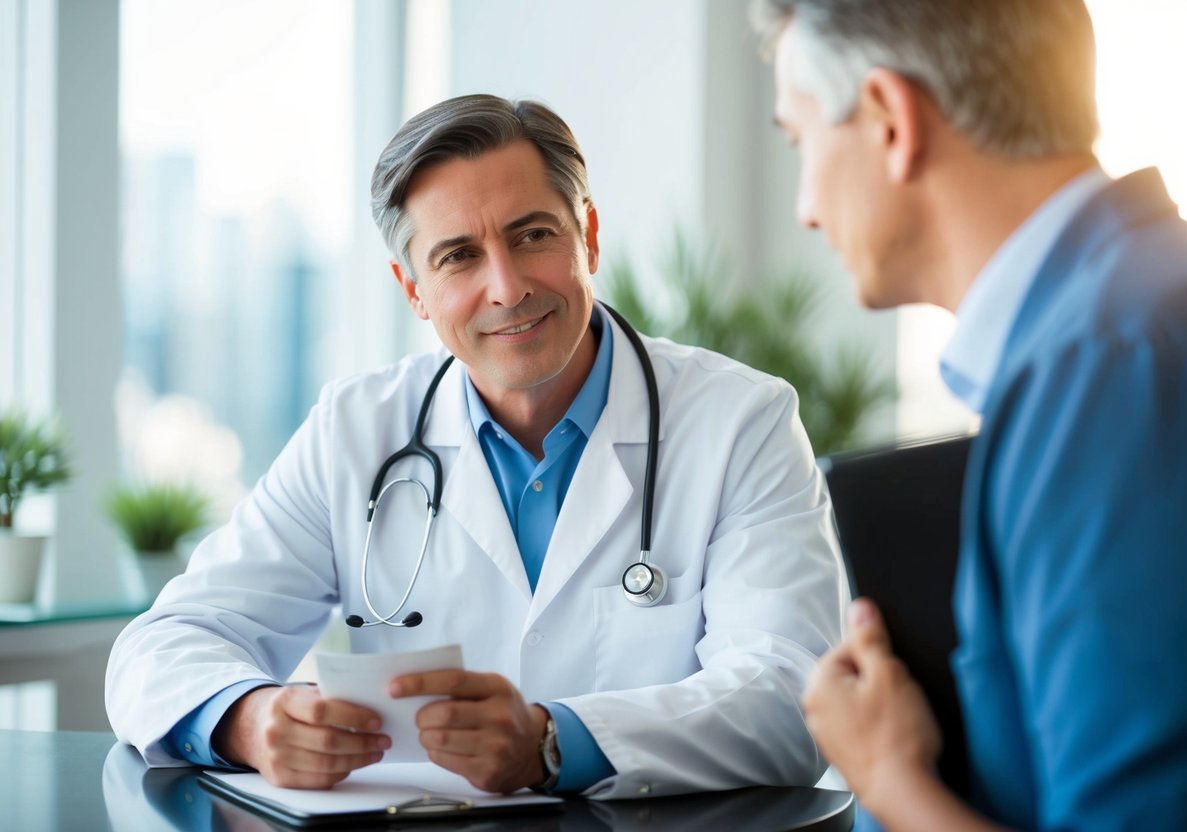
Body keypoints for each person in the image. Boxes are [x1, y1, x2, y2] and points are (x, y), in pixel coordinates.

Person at [106, 93, 847, 799]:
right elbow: (164, 645)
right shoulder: (356, 430)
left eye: (532, 235)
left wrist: (552, 741)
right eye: (458, 256)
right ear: (413, 290)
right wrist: (247, 720)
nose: (506, 287)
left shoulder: (739, 420)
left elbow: (790, 695)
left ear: (587, 234)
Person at [752, 0, 1187, 829]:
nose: (806, 207)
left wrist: (887, 776)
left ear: (891, 120)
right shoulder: (1147, 307)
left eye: (800, 142)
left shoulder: (1108, 368)